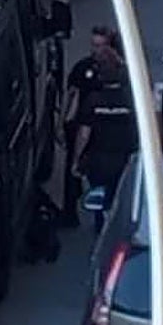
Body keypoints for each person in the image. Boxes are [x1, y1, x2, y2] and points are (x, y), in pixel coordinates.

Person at [72, 48, 137, 233]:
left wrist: (77, 159)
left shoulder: (94, 100)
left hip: (99, 158)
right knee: (121, 194)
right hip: (125, 158)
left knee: (99, 196)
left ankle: (101, 224)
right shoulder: (130, 100)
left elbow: (84, 133)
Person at [61, 26, 120, 227]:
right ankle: (70, 211)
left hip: (104, 129)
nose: (96, 50)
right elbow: (73, 95)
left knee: (101, 174)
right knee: (72, 171)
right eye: (93, 45)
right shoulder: (81, 68)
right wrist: (65, 122)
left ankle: (100, 214)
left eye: (101, 46)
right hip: (82, 124)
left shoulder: (114, 70)